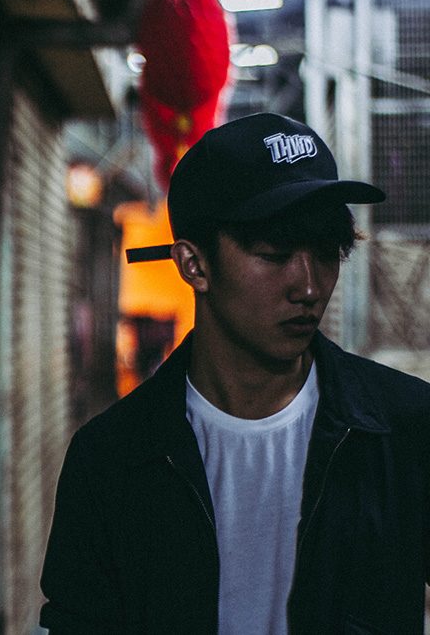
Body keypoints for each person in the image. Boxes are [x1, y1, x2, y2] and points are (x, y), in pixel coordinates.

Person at [39, 112, 430, 633]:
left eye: (326, 252)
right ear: (194, 265)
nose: (309, 286)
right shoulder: (111, 459)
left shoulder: (405, 427)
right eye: (275, 254)